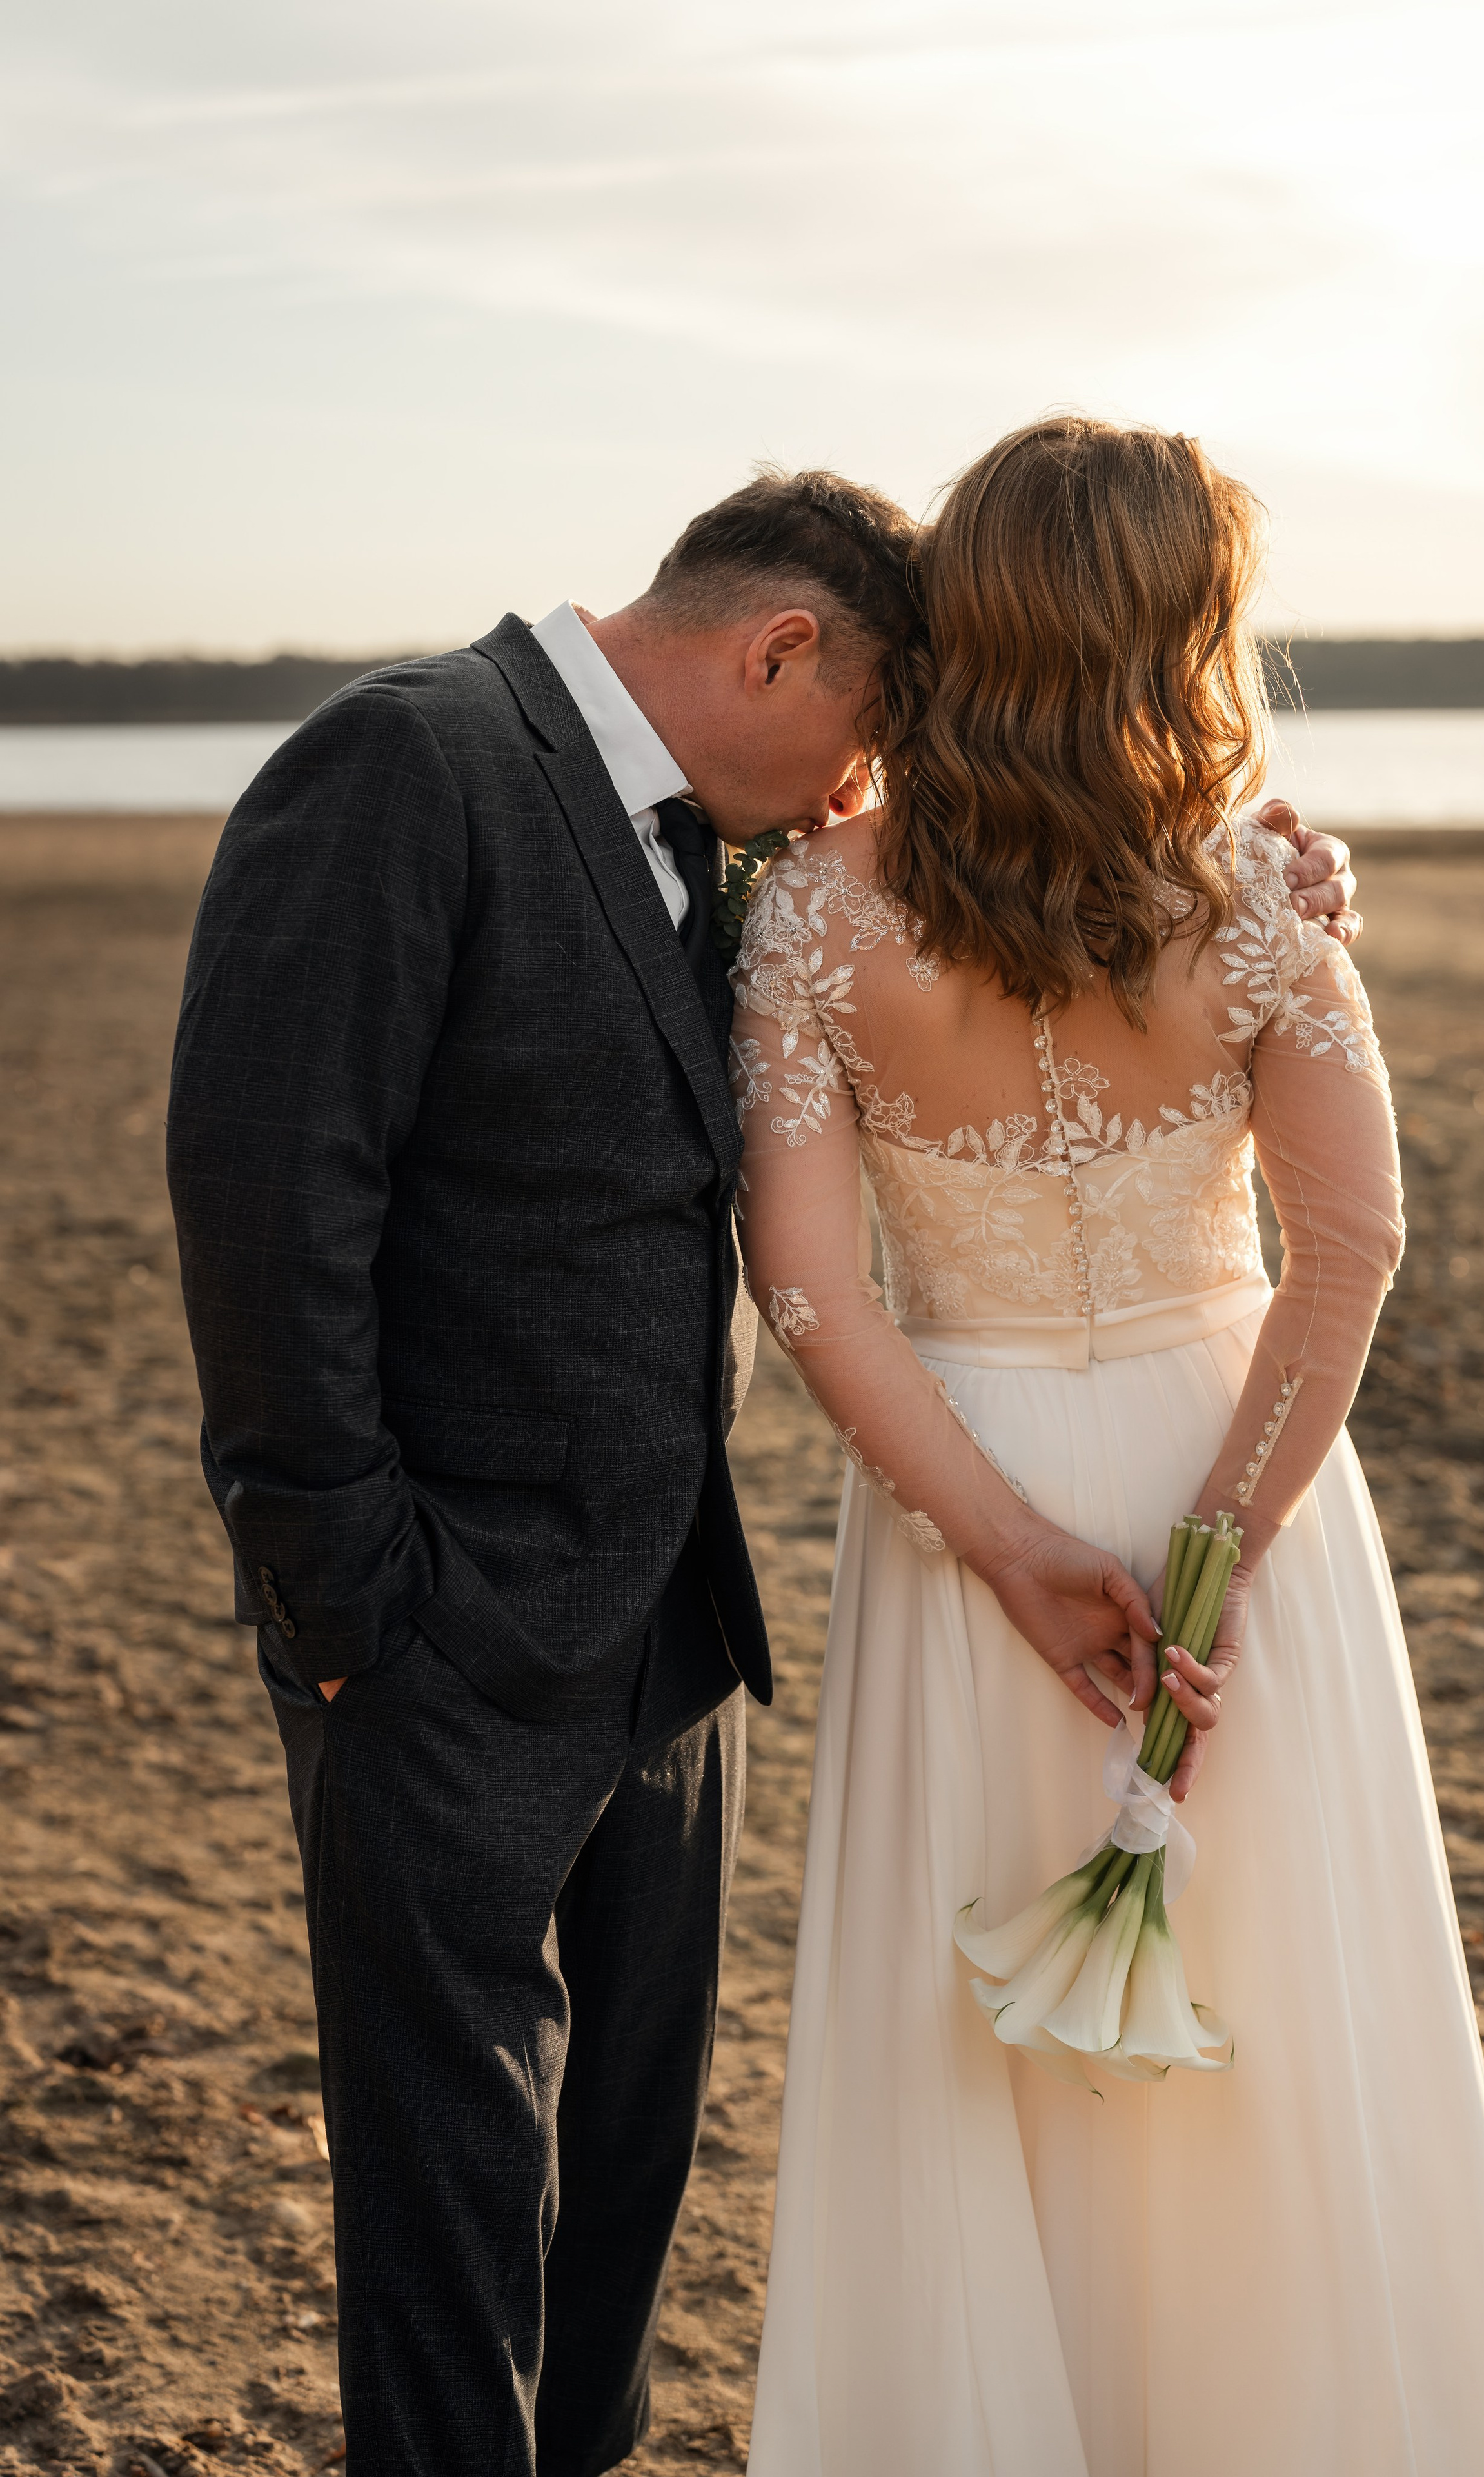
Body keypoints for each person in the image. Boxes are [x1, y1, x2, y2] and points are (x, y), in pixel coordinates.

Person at [166, 463, 1354, 2476]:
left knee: (621, 2170)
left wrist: (1269, 873)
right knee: (455, 2202)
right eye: (864, 738)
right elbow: (268, 1206)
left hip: (661, 1625)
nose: (851, 795)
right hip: (439, 1633)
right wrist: (344, 1609)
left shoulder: (710, 841)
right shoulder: (409, 759)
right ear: (777, 648)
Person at [731, 419, 1484, 2475]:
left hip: (960, 1495)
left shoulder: (811, 918)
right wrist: (1218, 1546)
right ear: (1185, 626)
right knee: (1288, 2026)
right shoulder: (1262, 893)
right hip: (1245, 1478)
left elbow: (808, 1288)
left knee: (977, 2056)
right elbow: (1352, 1243)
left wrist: (1009, 1540)